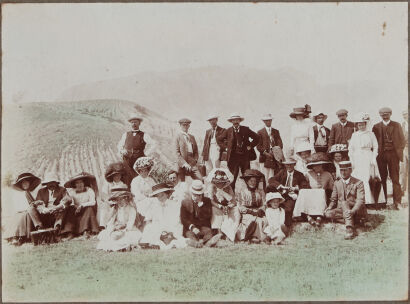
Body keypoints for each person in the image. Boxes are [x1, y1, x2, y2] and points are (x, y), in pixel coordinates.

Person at [349, 112, 386, 207]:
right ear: (357, 125)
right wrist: (352, 160)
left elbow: (375, 147)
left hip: (368, 157)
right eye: (359, 124)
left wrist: (373, 158)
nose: (361, 126)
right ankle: (360, 200)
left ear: (366, 124)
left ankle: (371, 201)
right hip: (357, 157)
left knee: (369, 177)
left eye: (363, 124)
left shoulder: (371, 134)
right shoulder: (354, 135)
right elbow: (351, 149)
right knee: (359, 178)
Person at [324, 161, 368, 240]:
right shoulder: (337, 183)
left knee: (344, 203)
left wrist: (353, 211)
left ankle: (349, 230)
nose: (343, 172)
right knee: (328, 213)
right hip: (344, 211)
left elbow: (360, 200)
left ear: (350, 170)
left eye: (345, 170)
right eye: (341, 170)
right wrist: (330, 207)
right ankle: (352, 220)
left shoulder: (358, 183)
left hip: (356, 210)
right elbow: (333, 199)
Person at [372, 107, 406, 209]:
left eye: (386, 113)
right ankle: (383, 202)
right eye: (382, 114)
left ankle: (397, 202)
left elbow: (402, 141)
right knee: (382, 178)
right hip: (381, 156)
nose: (384, 115)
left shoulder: (396, 125)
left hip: (393, 155)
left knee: (395, 178)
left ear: (391, 114)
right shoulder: (376, 127)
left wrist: (398, 151)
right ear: (380, 115)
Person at [217, 113, 259, 191]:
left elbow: (257, 137)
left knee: (247, 176)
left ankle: (249, 194)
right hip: (233, 158)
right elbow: (219, 139)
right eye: (233, 120)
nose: (235, 122)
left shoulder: (245, 129)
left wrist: (251, 146)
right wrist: (226, 148)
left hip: (245, 157)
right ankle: (232, 196)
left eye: (237, 120)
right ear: (231, 121)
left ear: (239, 121)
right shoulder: (228, 130)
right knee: (232, 177)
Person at [140, 183, 188, 250]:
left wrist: (166, 232)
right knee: (149, 227)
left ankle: (166, 243)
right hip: (158, 229)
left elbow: (176, 221)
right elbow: (148, 219)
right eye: (158, 196)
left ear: (167, 194)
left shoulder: (174, 205)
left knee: (174, 238)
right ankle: (153, 243)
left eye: (162, 195)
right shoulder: (154, 206)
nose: (160, 198)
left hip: (171, 228)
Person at [293, 153, 334, 226]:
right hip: (311, 196)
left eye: (317, 165)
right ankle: (308, 217)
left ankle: (319, 217)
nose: (314, 168)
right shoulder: (308, 174)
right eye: (313, 166)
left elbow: (332, 188)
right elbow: (304, 184)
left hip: (322, 196)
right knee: (303, 192)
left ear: (321, 165)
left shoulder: (328, 174)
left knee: (321, 193)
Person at [96, 186, 142, 252]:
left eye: (121, 199)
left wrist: (123, 230)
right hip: (116, 228)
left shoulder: (131, 209)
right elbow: (110, 222)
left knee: (129, 236)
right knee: (106, 234)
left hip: (128, 229)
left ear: (126, 198)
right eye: (117, 200)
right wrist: (112, 229)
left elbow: (130, 224)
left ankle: (124, 246)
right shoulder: (116, 209)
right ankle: (114, 246)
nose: (119, 201)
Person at [267, 157, 309, 227]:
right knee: (269, 189)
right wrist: (281, 186)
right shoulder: (282, 172)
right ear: (285, 165)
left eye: (291, 164)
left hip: (291, 196)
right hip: (282, 195)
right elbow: (271, 180)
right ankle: (273, 226)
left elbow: (305, 185)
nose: (288, 166)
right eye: (287, 165)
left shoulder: (299, 174)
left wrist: (296, 188)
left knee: (288, 210)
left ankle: (286, 228)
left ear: (294, 164)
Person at [4, 173, 44, 245]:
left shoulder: (35, 191)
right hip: (27, 211)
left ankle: (22, 237)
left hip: (35, 212)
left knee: (26, 214)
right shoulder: (21, 193)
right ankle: (16, 237)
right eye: (23, 183)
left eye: (26, 182)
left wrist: (37, 203)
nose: (24, 184)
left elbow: (38, 203)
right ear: (20, 185)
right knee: (19, 216)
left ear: (30, 182)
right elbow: (21, 206)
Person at [117, 114, 156, 187]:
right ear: (130, 123)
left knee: (138, 178)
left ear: (139, 123)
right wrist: (122, 151)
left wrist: (146, 153)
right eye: (132, 122)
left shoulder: (144, 135)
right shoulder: (126, 134)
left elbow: (153, 144)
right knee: (126, 178)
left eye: (136, 122)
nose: (134, 124)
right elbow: (119, 145)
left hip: (139, 161)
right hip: (127, 161)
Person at [180, 180, 221, 248]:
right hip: (191, 228)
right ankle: (197, 243)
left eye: (199, 195)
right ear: (191, 193)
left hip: (203, 227)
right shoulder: (185, 202)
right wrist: (192, 227)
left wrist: (200, 208)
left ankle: (207, 242)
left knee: (209, 232)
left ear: (202, 194)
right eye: (194, 195)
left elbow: (208, 216)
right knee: (190, 235)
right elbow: (183, 219)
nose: (197, 197)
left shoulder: (207, 201)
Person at [205, 168, 240, 243]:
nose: (219, 184)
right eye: (218, 182)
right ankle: (218, 232)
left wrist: (229, 206)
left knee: (236, 211)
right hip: (217, 206)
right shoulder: (212, 187)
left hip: (227, 207)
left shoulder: (228, 187)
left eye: (221, 182)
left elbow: (233, 200)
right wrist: (219, 206)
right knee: (214, 211)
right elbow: (210, 200)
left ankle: (231, 234)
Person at [35, 173, 74, 238]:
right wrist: (43, 209)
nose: (51, 184)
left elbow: (68, 199)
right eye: (49, 183)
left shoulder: (62, 189)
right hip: (45, 214)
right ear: (46, 184)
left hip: (58, 212)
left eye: (53, 182)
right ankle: (40, 229)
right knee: (31, 209)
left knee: (65, 208)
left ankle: (57, 228)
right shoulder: (41, 191)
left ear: (56, 183)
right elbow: (38, 203)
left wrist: (57, 208)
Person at [64, 172, 100, 238]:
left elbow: (93, 202)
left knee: (89, 208)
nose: (79, 184)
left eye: (81, 182)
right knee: (70, 209)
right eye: (77, 183)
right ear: (74, 184)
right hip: (76, 210)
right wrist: (75, 206)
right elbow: (70, 201)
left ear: (84, 183)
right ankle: (70, 232)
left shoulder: (89, 190)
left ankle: (85, 231)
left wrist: (82, 205)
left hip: (87, 209)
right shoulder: (72, 191)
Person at [236, 169, 267, 244]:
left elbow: (264, 203)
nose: (253, 183)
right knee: (251, 220)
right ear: (247, 181)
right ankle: (248, 236)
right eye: (251, 181)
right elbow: (240, 206)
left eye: (254, 181)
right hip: (247, 212)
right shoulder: (242, 192)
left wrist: (261, 210)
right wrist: (251, 212)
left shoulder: (260, 192)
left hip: (258, 211)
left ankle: (257, 237)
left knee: (262, 220)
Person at [100, 162, 128, 228]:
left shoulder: (123, 185)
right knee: (104, 207)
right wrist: (109, 201)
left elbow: (125, 195)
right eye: (115, 175)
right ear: (112, 176)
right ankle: (103, 225)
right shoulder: (108, 184)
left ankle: (121, 223)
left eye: (119, 175)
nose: (117, 177)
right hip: (110, 201)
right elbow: (104, 195)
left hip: (121, 201)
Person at [257, 113, 284, 180]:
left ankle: (272, 189)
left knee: (274, 175)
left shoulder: (276, 131)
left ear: (271, 120)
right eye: (266, 120)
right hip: (264, 157)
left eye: (269, 120)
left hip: (275, 157)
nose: (268, 122)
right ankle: (265, 189)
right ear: (263, 121)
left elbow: (280, 144)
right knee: (264, 175)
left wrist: (276, 151)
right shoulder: (260, 132)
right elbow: (258, 146)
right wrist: (266, 153)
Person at [130, 157, 156, 222]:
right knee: (150, 204)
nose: (144, 172)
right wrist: (147, 198)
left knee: (157, 202)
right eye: (142, 171)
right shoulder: (135, 180)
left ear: (148, 170)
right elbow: (136, 193)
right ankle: (148, 220)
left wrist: (152, 196)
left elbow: (155, 190)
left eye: (145, 170)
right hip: (140, 201)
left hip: (152, 199)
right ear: (139, 171)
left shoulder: (151, 180)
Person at [400, 110, 408, 196]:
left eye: (407, 114)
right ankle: (403, 189)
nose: (405, 116)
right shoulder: (402, 125)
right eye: (404, 115)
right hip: (404, 149)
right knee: (403, 170)